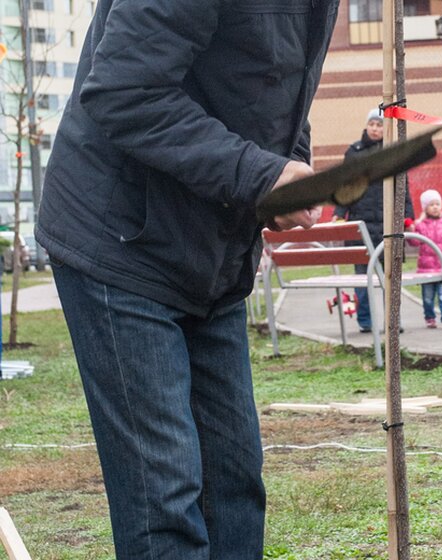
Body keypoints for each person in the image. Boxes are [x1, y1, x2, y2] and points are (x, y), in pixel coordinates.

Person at [34, 1, 338, 558]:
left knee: (234, 482)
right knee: (165, 495)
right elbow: (124, 92)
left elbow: (279, 93)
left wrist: (286, 172)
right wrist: (258, 174)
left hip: (211, 250)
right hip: (119, 241)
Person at [333, 109, 416, 333]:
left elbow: (403, 188)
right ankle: (365, 321)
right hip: (361, 223)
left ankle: (393, 321)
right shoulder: (354, 152)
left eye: (380, 125)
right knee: (363, 277)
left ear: (385, 128)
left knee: (391, 276)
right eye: (372, 124)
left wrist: (407, 216)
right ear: (366, 126)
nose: (375, 129)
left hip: (388, 225)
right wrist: (339, 212)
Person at [408, 189, 442, 328]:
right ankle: (430, 317)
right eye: (431, 205)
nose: (435, 207)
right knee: (427, 297)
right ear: (425, 208)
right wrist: (411, 229)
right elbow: (414, 242)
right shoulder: (421, 225)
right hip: (426, 269)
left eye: (437, 204)